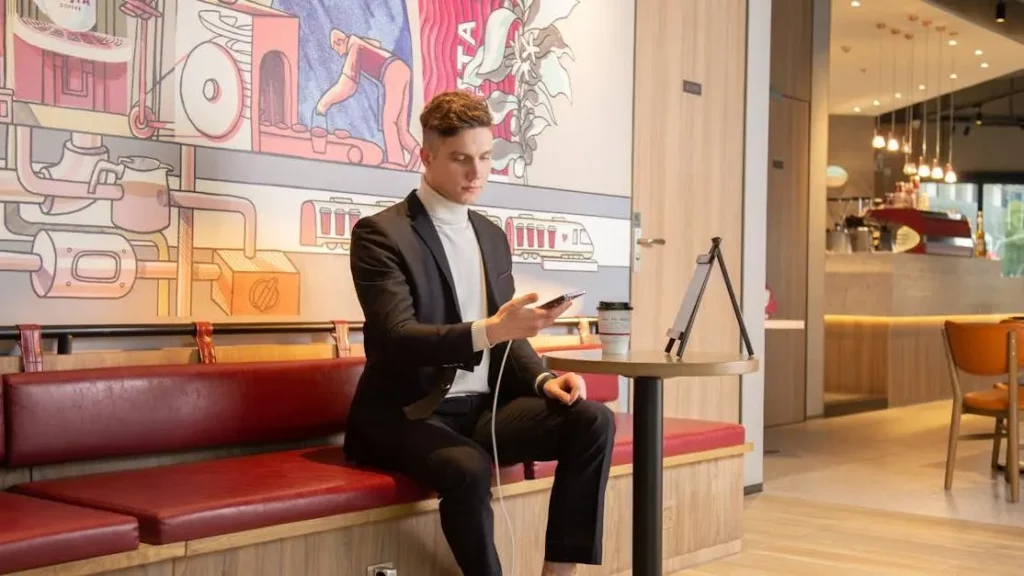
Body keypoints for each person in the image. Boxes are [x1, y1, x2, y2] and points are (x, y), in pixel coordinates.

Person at [343, 90, 615, 576]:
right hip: (405, 414)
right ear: (426, 157)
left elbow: (509, 335)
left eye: (486, 158)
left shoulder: (491, 234)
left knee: (591, 420)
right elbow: (396, 337)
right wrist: (489, 330)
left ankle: (559, 573)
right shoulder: (380, 234)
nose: (477, 173)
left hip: (480, 412)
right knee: (467, 467)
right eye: (460, 159)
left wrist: (541, 381)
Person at [315, 28, 421, 170]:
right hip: (402, 68)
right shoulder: (359, 43)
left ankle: (397, 163)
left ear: (340, 41)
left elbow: (347, 85)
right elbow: (375, 44)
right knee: (401, 125)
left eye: (336, 47)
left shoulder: (355, 47)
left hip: (392, 72)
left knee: (389, 121)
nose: (339, 54)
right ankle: (416, 151)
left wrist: (323, 104)